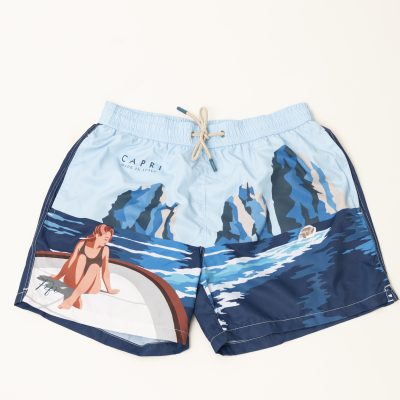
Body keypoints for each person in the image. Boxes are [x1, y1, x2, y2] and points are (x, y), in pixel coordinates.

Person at [51, 224, 119, 309]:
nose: (107, 242)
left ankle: (71, 300)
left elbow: (105, 271)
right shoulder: (82, 243)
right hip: (73, 282)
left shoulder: (105, 250)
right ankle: (76, 296)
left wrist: (109, 289)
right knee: (81, 257)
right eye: (106, 239)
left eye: (108, 239)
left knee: (95, 266)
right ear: (97, 235)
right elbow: (70, 262)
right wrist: (58, 277)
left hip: (91, 287)